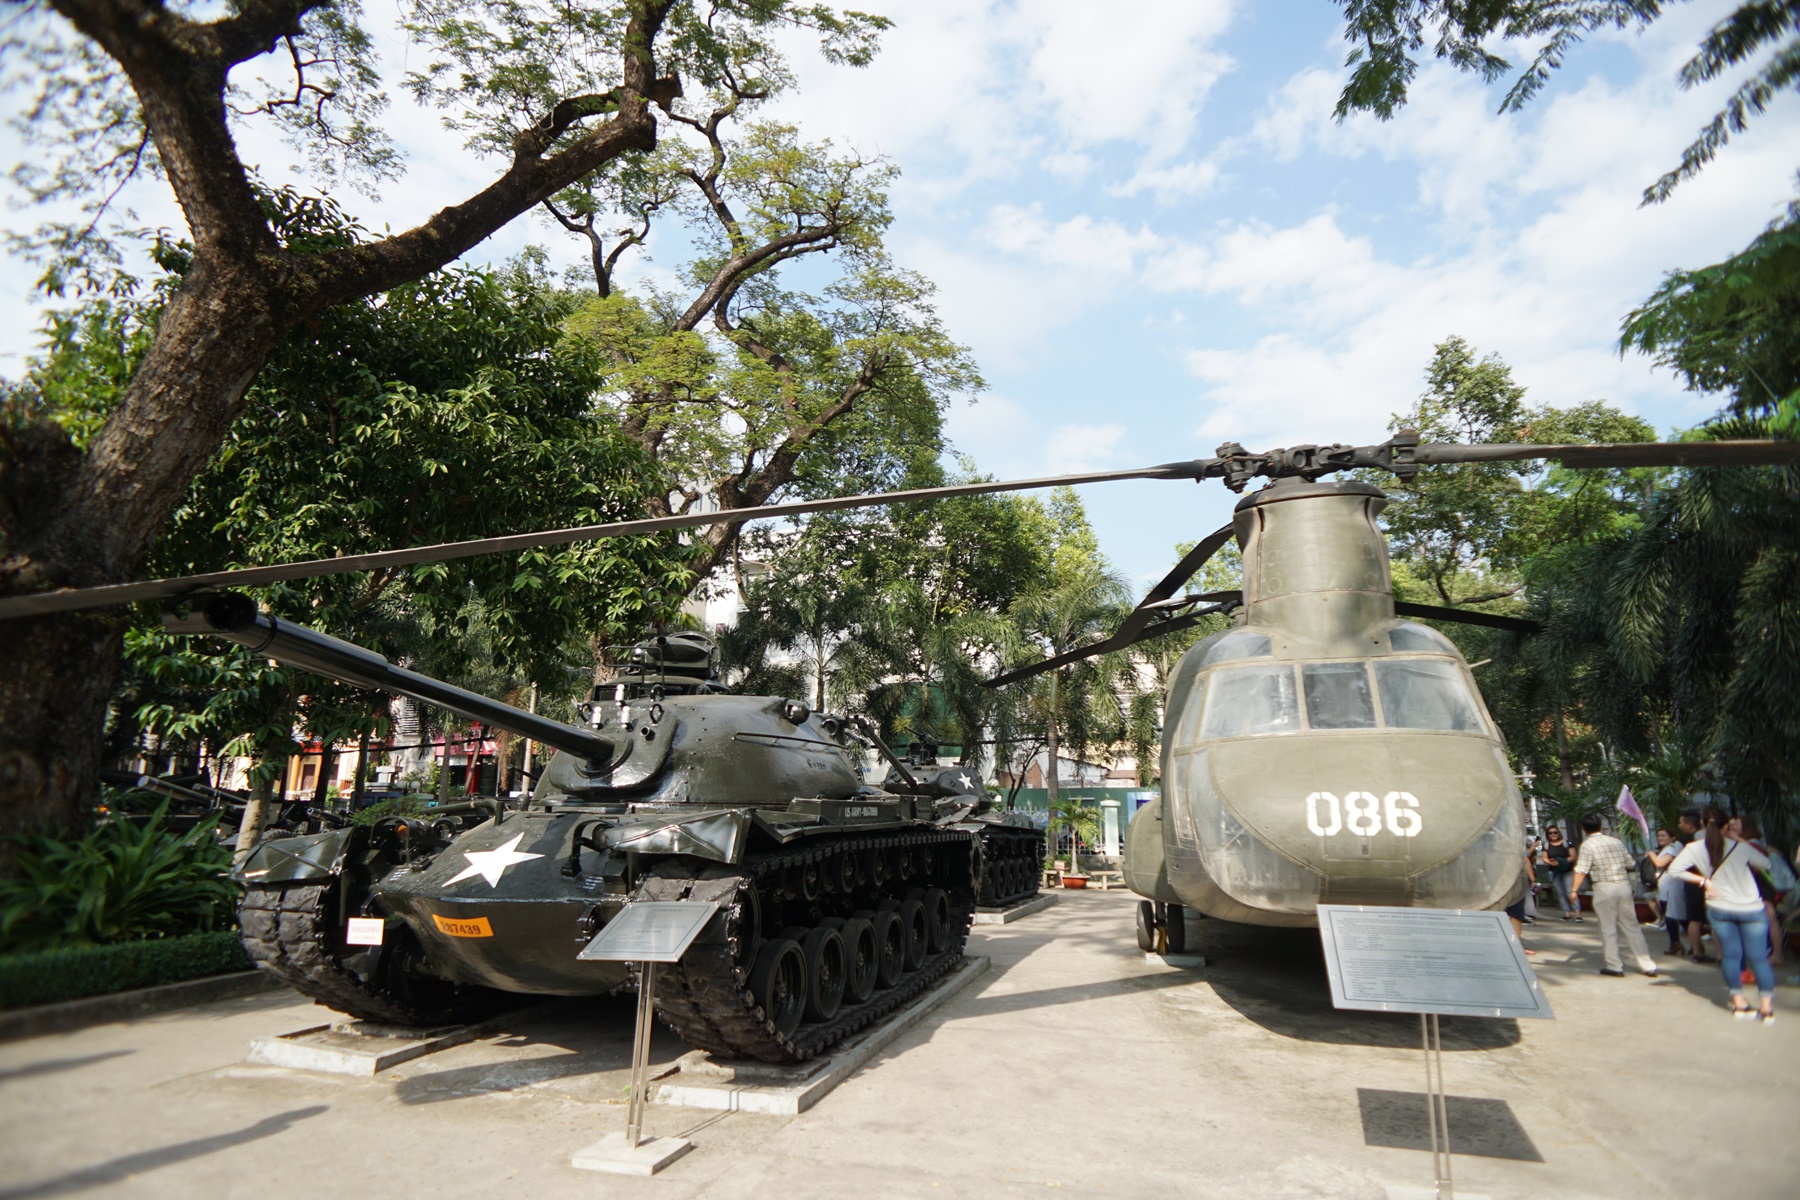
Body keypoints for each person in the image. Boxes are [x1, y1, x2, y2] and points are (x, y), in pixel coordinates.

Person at [1668, 813, 1775, 1021]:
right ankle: (1766, 1008)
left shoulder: (1694, 848)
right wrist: (1741, 840)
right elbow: (1766, 864)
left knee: (1731, 956)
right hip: (1750, 908)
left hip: (1720, 907)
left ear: (1703, 825)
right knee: (1759, 958)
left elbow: (1674, 870)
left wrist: (1703, 882)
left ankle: (1739, 1003)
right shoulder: (1740, 846)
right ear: (1727, 826)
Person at [1568, 813, 1658, 978]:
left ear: (1583, 829)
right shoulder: (1616, 841)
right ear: (1600, 826)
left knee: (1608, 928)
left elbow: (1581, 870)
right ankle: (1647, 965)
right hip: (1623, 885)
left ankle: (1614, 965)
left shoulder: (1588, 845)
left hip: (1604, 887)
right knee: (1632, 926)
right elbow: (1630, 864)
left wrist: (1574, 890)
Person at [1739, 817, 1792, 968]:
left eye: (1736, 825)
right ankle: (1774, 954)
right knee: (1768, 919)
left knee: (1769, 919)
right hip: (1762, 885)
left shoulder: (1751, 844)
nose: (1733, 828)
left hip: (1760, 885)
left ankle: (1776, 955)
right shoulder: (1757, 843)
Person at [1674, 809, 1712, 962]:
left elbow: (1676, 862)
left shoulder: (1683, 842)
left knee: (1695, 919)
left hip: (1691, 880)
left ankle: (1696, 951)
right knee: (1705, 919)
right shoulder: (1711, 839)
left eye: (1681, 823)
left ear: (1690, 824)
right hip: (1707, 879)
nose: (1680, 826)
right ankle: (1713, 954)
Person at [1649, 826, 1689, 956]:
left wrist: (1651, 855)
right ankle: (1680, 942)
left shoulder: (1672, 849)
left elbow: (1660, 863)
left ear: (1672, 838)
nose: (1660, 838)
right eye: (1658, 836)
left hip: (1671, 886)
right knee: (1673, 915)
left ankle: (1676, 942)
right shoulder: (1667, 849)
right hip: (1665, 886)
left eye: (1663, 835)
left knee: (1672, 916)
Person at [1538, 825, 1580, 922]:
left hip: (1567, 870)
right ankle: (1567, 914)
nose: (1553, 834)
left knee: (1570, 892)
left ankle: (1577, 914)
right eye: (1550, 833)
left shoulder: (1566, 843)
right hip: (1554, 872)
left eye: (1555, 832)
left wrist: (1561, 861)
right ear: (1547, 835)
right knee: (1560, 893)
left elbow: (1573, 856)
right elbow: (1544, 858)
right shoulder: (1546, 845)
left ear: (1559, 833)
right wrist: (1551, 862)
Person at [1506, 848, 1538, 955]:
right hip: (1515, 882)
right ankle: (1516, 945)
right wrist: (1533, 881)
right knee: (1516, 914)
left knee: (1512, 913)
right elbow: (1526, 861)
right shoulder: (1516, 844)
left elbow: (1526, 861)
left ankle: (1512, 944)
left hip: (1501, 883)